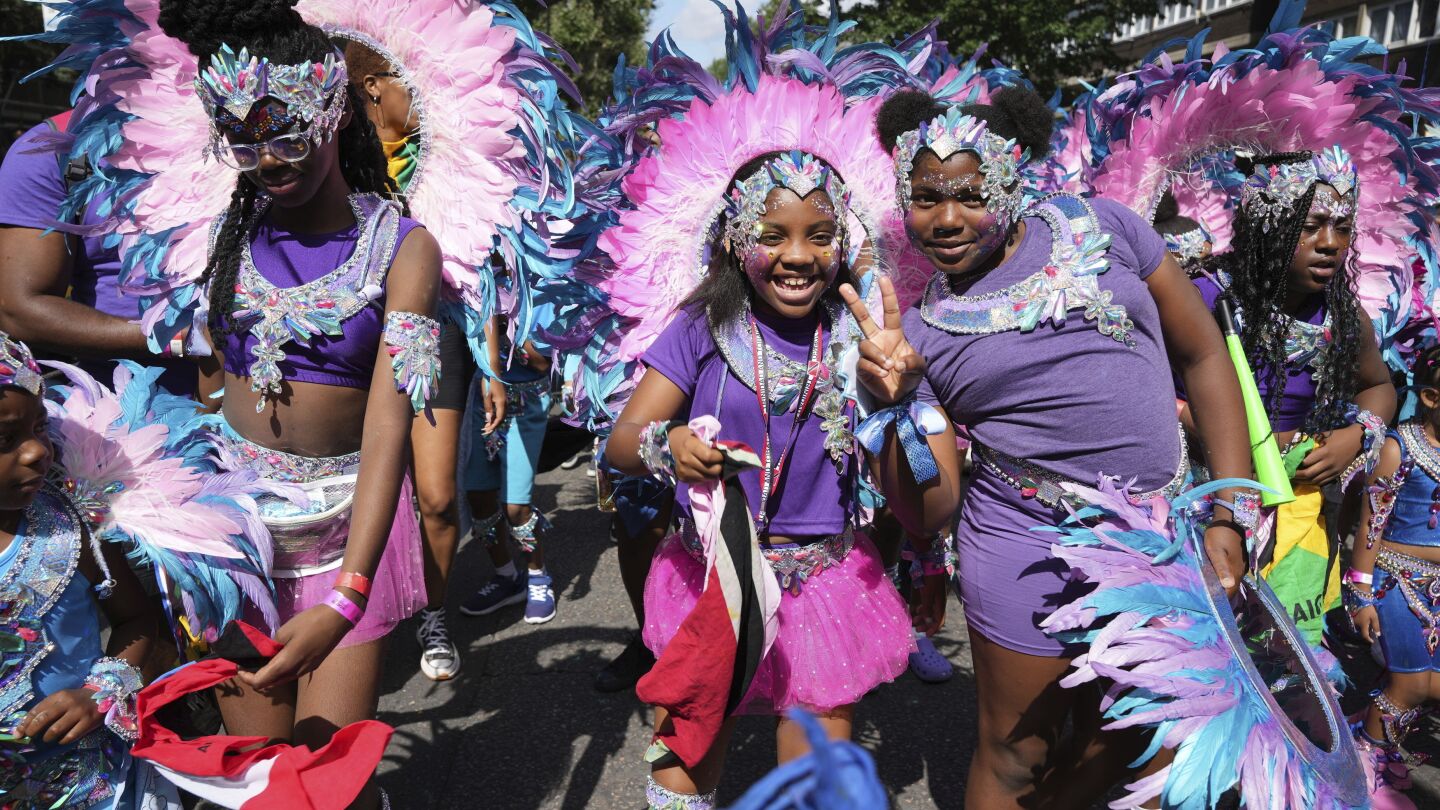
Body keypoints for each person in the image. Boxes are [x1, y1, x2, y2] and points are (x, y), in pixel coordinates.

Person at [862, 87, 1254, 809]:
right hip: (1023, 548)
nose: (947, 219)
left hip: (1164, 538)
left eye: (971, 194)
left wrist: (1232, 507)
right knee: (1017, 755)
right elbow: (932, 510)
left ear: (1012, 181)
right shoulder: (919, 335)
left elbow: (1204, 359)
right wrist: (895, 406)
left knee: (1141, 737)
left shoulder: (1104, 227)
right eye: (924, 198)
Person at [98, 2, 445, 806]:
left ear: (331, 115)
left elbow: (391, 423)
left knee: (324, 782)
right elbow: (208, 377)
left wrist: (350, 594)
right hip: (237, 541)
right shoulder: (226, 231)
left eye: (287, 133)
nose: (268, 159)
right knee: (253, 775)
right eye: (245, 140)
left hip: (340, 536)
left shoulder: (402, 243)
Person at [607, 148, 915, 809]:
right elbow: (622, 443)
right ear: (731, 237)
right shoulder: (704, 327)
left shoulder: (858, 336)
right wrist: (672, 443)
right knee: (680, 778)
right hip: (714, 581)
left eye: (819, 235)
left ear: (844, 243)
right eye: (771, 235)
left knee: (811, 793)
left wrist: (898, 402)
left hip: (824, 584)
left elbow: (910, 481)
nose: (798, 256)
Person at [342, 38, 506, 681]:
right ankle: (357, 614)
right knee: (354, 497)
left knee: (438, 498)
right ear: (376, 87)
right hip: (353, 347)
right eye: (417, 85)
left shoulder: (442, 162)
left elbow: (475, 268)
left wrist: (490, 367)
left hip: (434, 344)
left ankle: (431, 614)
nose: (430, 100)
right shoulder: (334, 162)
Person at [1187, 149, 1395, 646]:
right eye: (1312, 225)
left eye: (1342, 228)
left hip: (1298, 507)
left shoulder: (1344, 317)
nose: (1330, 244)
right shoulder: (1206, 295)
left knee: (1285, 657)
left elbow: (1380, 387)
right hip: (1204, 497)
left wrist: (1355, 435)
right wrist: (1245, 444)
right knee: (1204, 648)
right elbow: (1157, 397)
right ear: (1266, 225)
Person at [0, 333, 163, 807]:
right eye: (6, 439)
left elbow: (136, 619)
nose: (36, 452)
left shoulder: (70, 522)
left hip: (90, 781)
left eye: (39, 428)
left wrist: (100, 693)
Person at [0, 120, 195, 396]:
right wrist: (181, 338)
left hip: (263, 396)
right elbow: (20, 311)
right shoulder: (56, 148)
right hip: (127, 414)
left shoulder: (238, 131)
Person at [1348, 344, 1440, 809]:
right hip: (1398, 580)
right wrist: (1360, 594)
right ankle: (1366, 769)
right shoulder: (1397, 448)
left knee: (1434, 687)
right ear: (1430, 397)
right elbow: (1370, 524)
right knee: (1411, 684)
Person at [460, 306, 559, 625]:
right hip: (482, 402)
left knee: (516, 507)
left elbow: (543, 362)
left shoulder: (539, 290)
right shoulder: (480, 280)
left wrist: (502, 330)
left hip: (526, 404)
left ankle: (537, 576)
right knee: (479, 496)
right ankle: (506, 576)